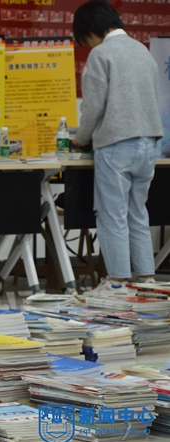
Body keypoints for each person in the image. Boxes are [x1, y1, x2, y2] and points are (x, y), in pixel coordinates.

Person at [71, 0, 164, 296]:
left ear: (91, 31)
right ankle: (147, 280)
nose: (87, 45)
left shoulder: (102, 54)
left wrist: (81, 138)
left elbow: (94, 106)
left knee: (112, 214)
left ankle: (117, 282)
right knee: (138, 212)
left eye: (85, 40)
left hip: (116, 144)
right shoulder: (142, 51)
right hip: (148, 143)